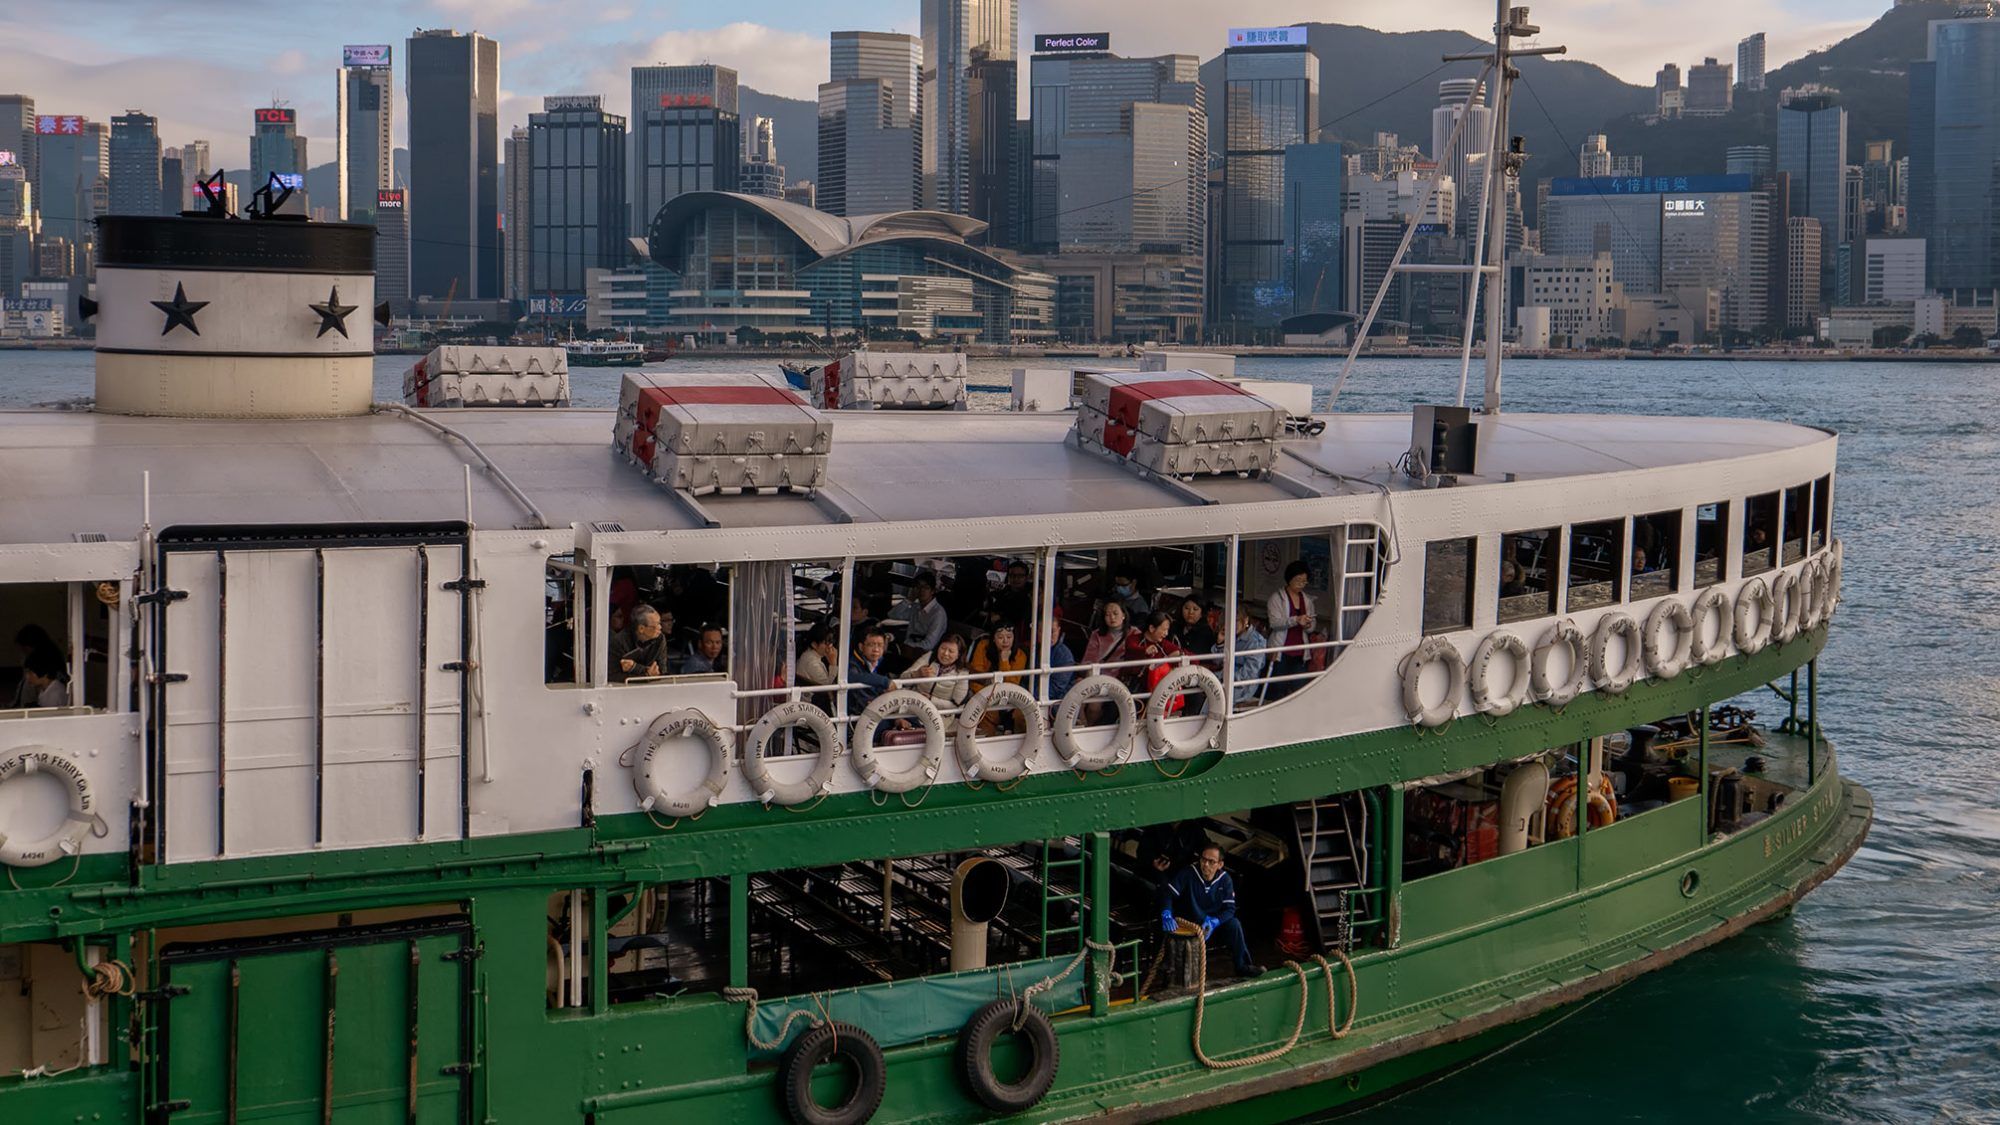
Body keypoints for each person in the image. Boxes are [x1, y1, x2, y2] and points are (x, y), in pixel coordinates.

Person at [1158, 844, 1263, 978]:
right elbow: (1168, 894)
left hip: (1211, 925)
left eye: (1211, 862)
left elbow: (1230, 909)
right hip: (1190, 922)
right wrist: (1166, 913)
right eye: (1203, 860)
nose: (1206, 865)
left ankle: (1242, 966)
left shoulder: (1225, 880)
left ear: (1220, 864)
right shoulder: (1189, 873)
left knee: (1234, 924)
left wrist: (1215, 922)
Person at [1265, 561, 1317, 701]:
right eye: (1298, 580)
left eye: (1304, 582)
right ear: (1290, 579)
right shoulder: (1277, 598)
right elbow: (1274, 623)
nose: (1301, 584)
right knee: (1278, 690)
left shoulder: (1307, 600)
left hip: (1300, 652)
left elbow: (1313, 627)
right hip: (1281, 651)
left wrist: (1308, 625)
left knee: (1299, 691)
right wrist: (1295, 620)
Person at [968, 623, 1029, 735]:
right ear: (993, 639)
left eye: (1009, 637)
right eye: (1000, 637)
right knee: (987, 715)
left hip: (1008, 699)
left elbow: (1011, 684)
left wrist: (1004, 661)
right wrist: (989, 696)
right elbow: (976, 675)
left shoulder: (1020, 655)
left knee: (1019, 715)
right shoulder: (983, 646)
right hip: (983, 695)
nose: (1005, 641)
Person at [903, 632, 971, 708]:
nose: (945, 653)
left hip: (938, 715)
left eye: (951, 651)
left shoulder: (962, 673)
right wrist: (916, 674)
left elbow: (956, 705)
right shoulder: (929, 657)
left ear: (958, 655)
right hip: (913, 705)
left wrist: (931, 700)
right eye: (943, 648)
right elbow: (902, 680)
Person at [613, 606, 671, 682]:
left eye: (660, 623)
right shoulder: (619, 641)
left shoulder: (660, 639)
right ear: (641, 629)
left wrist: (635, 667)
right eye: (656, 625)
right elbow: (614, 675)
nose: (660, 627)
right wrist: (646, 674)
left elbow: (661, 670)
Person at [895, 574, 949, 654]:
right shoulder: (916, 607)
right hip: (908, 648)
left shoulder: (938, 613)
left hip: (925, 654)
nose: (921, 591)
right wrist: (909, 599)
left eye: (926, 588)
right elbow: (893, 615)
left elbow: (929, 644)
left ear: (933, 591)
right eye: (918, 587)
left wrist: (906, 645)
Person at [848, 627, 895, 709]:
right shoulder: (852, 664)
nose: (876, 649)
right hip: (859, 713)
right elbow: (852, 677)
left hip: (881, 707)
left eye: (880, 645)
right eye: (871, 645)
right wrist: (884, 681)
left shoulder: (884, 662)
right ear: (861, 647)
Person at [1082, 602, 1136, 668]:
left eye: (1115, 613)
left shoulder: (1134, 632)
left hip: (1123, 674)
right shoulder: (1096, 634)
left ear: (1123, 615)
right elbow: (1088, 660)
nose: (1112, 617)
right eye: (1107, 615)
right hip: (1101, 674)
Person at [1171, 596, 1216, 660]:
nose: (1190, 612)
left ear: (1201, 613)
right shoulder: (1174, 626)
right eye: (1186, 608)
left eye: (1195, 609)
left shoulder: (1206, 632)